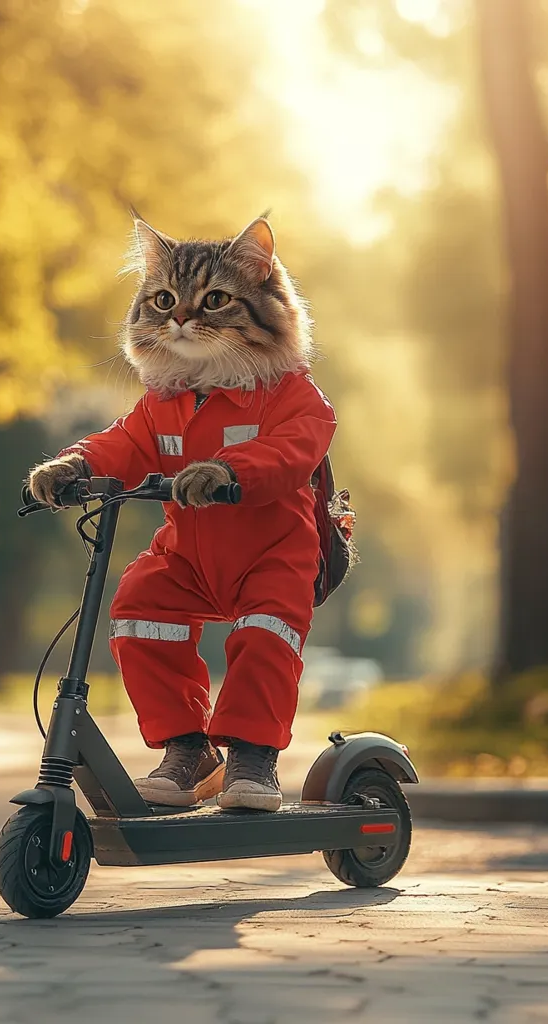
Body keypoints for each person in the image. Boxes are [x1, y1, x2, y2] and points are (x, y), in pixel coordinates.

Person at [28, 215, 336, 812]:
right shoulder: (162, 401)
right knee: (139, 605)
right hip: (189, 552)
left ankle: (252, 758)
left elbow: (298, 448)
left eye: (215, 302)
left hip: (273, 552)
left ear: (268, 295)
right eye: (165, 300)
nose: (184, 320)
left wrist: (231, 470)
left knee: (265, 635)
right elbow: (122, 445)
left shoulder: (291, 394)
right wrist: (73, 466)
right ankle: (187, 748)